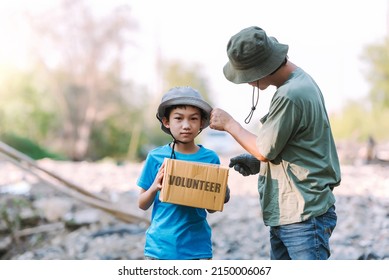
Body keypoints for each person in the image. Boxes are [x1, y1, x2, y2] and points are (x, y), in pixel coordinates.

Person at [209, 26, 341, 260]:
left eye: (247, 76)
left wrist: (230, 124)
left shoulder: (290, 94)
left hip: (302, 215)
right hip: (293, 213)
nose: (247, 83)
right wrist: (260, 164)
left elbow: (264, 150)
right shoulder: (300, 83)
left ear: (260, 69)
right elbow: (299, 149)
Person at [137, 86, 230, 260]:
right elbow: (142, 203)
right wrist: (154, 187)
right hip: (159, 248)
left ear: (202, 123)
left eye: (193, 119)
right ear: (166, 122)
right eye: (178, 119)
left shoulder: (210, 158)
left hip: (197, 249)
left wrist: (221, 192)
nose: (186, 125)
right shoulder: (156, 157)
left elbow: (212, 208)